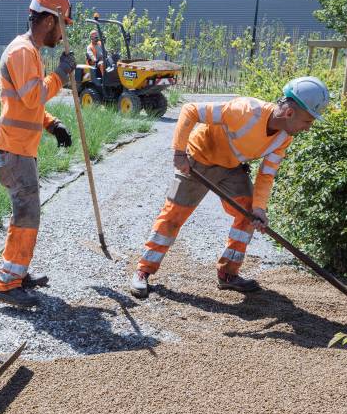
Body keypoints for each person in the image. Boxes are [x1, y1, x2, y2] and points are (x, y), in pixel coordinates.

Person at [129, 77, 330, 297]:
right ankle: (143, 271)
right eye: (308, 122)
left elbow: (266, 175)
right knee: (173, 216)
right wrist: (179, 152)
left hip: (232, 166)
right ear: (290, 113)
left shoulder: (283, 138)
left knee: (248, 214)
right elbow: (190, 110)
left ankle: (228, 274)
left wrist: (259, 208)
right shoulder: (244, 111)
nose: (308, 129)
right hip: (198, 160)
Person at [0, 0, 76, 308]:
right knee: (26, 216)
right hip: (14, 152)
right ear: (50, 20)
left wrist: (52, 124)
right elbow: (32, 96)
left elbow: (26, 107)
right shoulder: (23, 51)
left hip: (18, 150)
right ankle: (8, 284)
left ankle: (18, 273)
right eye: (62, 25)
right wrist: (61, 76)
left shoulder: (31, 51)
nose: (63, 33)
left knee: (27, 215)